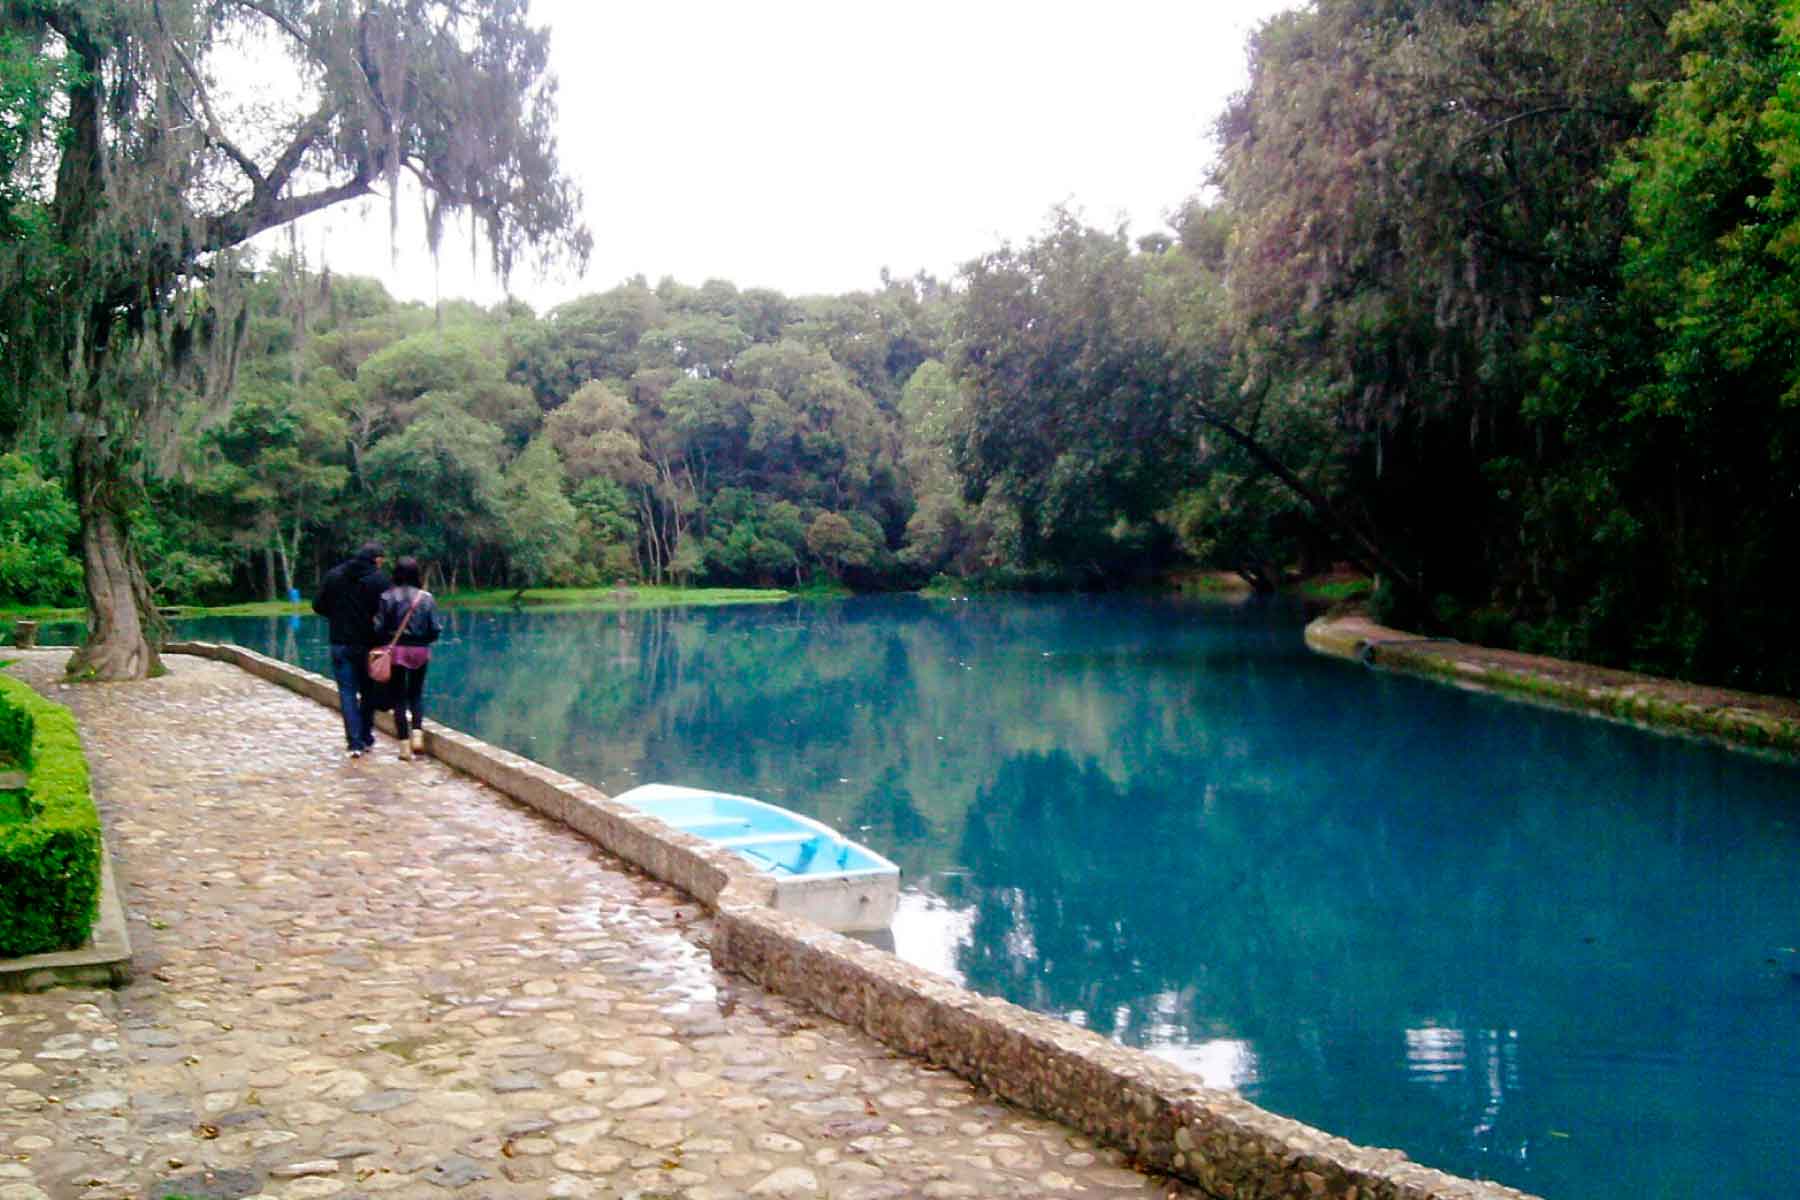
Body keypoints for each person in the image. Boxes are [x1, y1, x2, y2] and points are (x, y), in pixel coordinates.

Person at [313, 541, 390, 758]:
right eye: (381, 561)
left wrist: (337, 616)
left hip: (340, 642)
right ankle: (366, 737)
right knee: (368, 692)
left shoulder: (334, 575)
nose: (381, 565)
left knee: (347, 693)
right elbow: (387, 611)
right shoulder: (378, 580)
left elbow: (318, 605)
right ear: (376, 559)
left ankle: (354, 743)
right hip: (368, 645)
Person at [374, 555, 442, 761]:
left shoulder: (387, 597)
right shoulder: (427, 598)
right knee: (416, 695)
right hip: (420, 651)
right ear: (416, 574)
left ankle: (404, 746)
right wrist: (423, 641)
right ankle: (418, 736)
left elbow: (379, 628)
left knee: (398, 698)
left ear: (396, 573)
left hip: (395, 652)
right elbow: (435, 629)